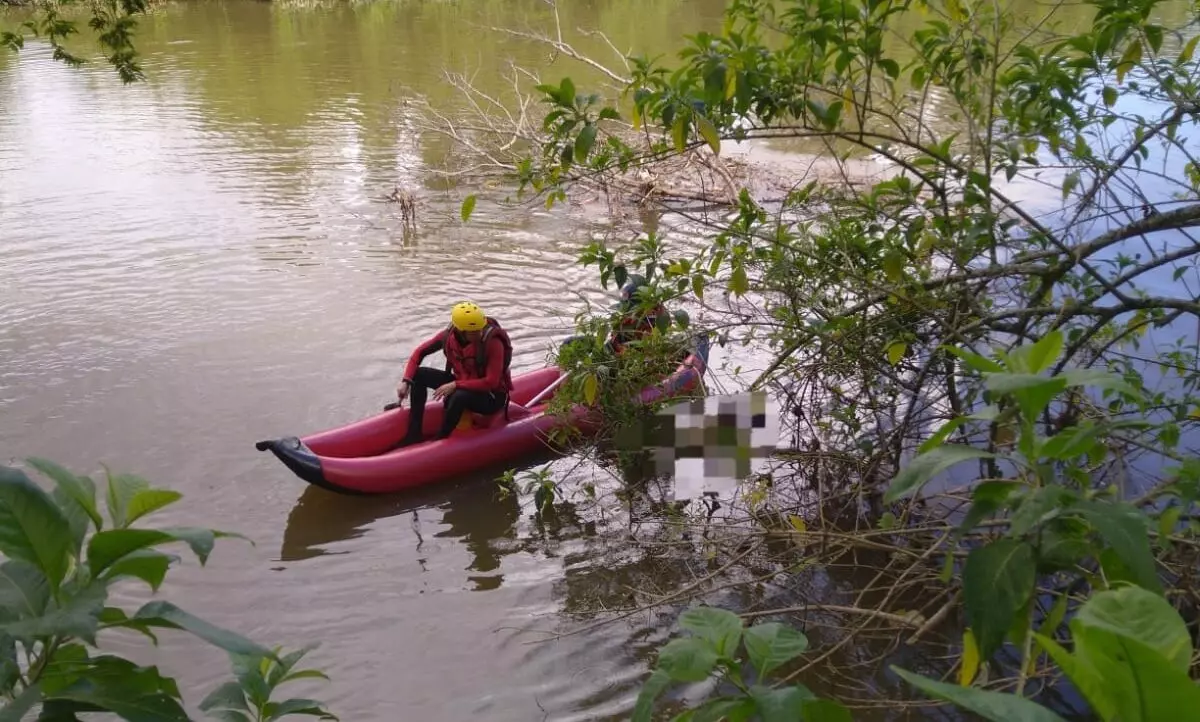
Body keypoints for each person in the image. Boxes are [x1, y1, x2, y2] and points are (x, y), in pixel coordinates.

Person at [395, 301, 514, 446]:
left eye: (480, 328)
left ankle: (441, 438)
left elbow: (491, 381)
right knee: (419, 374)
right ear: (460, 331)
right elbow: (418, 353)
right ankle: (414, 433)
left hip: (491, 397)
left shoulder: (493, 343)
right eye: (474, 331)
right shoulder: (447, 337)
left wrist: (456, 385)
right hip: (463, 384)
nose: (480, 333)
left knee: (459, 395)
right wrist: (406, 381)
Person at [608, 274, 668, 355]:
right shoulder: (625, 323)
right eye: (626, 310)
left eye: (632, 310)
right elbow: (614, 340)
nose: (627, 313)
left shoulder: (657, 317)